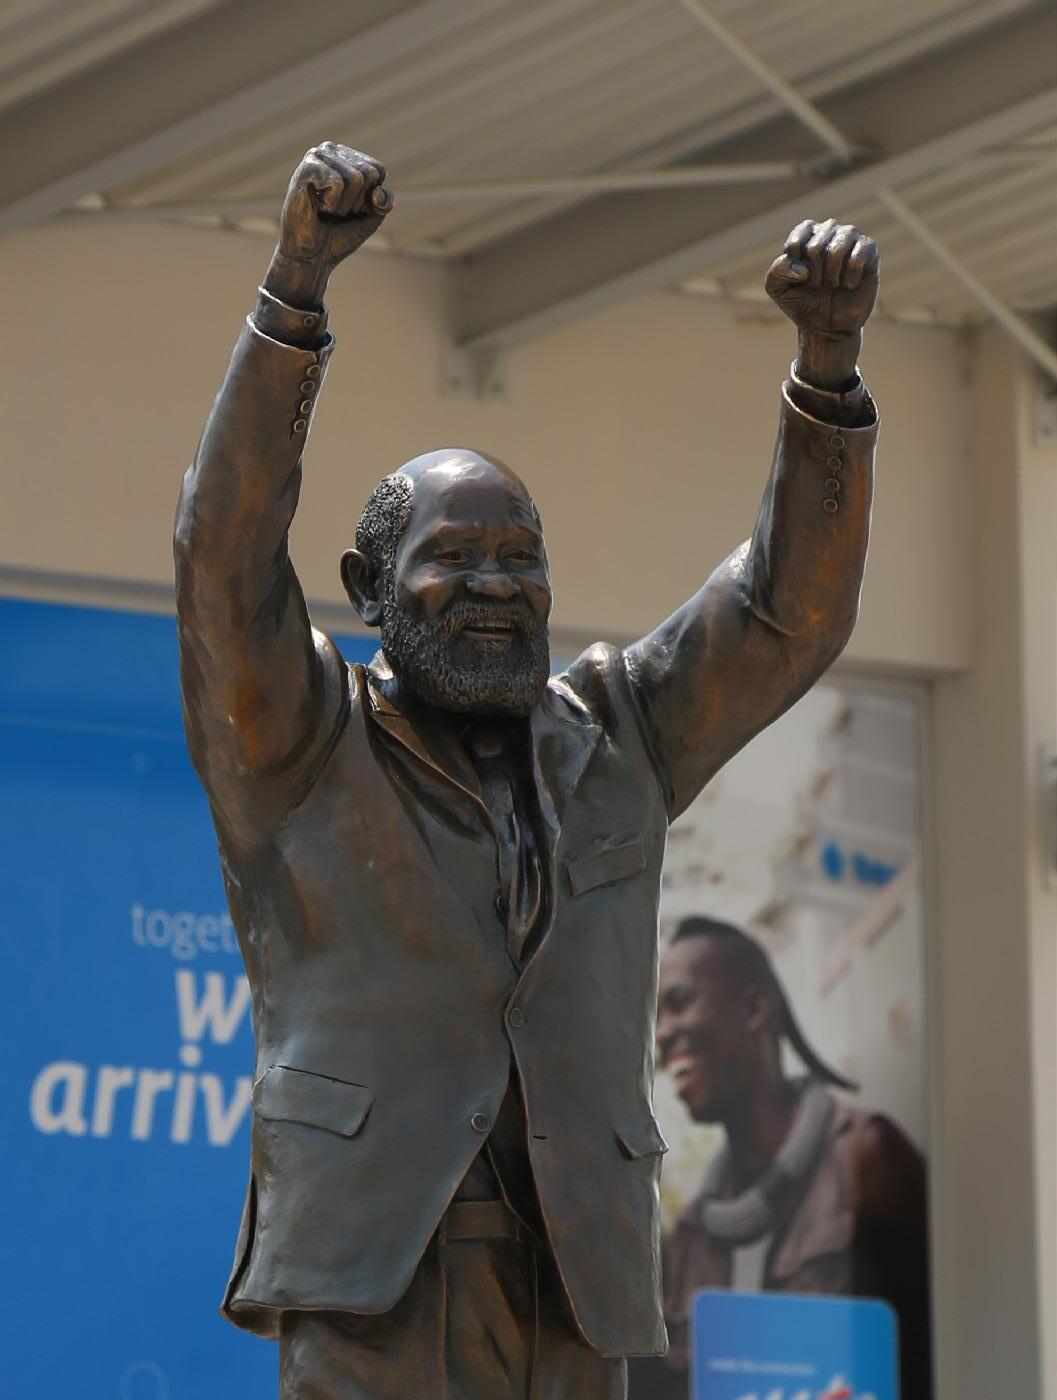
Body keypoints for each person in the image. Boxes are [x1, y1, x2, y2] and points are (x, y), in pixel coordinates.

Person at [174, 141, 879, 1399]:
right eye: (454, 558)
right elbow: (222, 551)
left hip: (575, 1278)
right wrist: (293, 296)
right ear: (369, 589)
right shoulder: (300, 739)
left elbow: (788, 616)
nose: (497, 584)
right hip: (376, 1276)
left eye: (521, 556)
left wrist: (825, 376)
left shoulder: (617, 730)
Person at [628, 917, 932, 1400]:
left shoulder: (867, 1162)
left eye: (680, 1004)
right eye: (657, 1016)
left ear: (753, 1008)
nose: (663, 1035)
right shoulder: (687, 1241)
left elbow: (951, 1349)